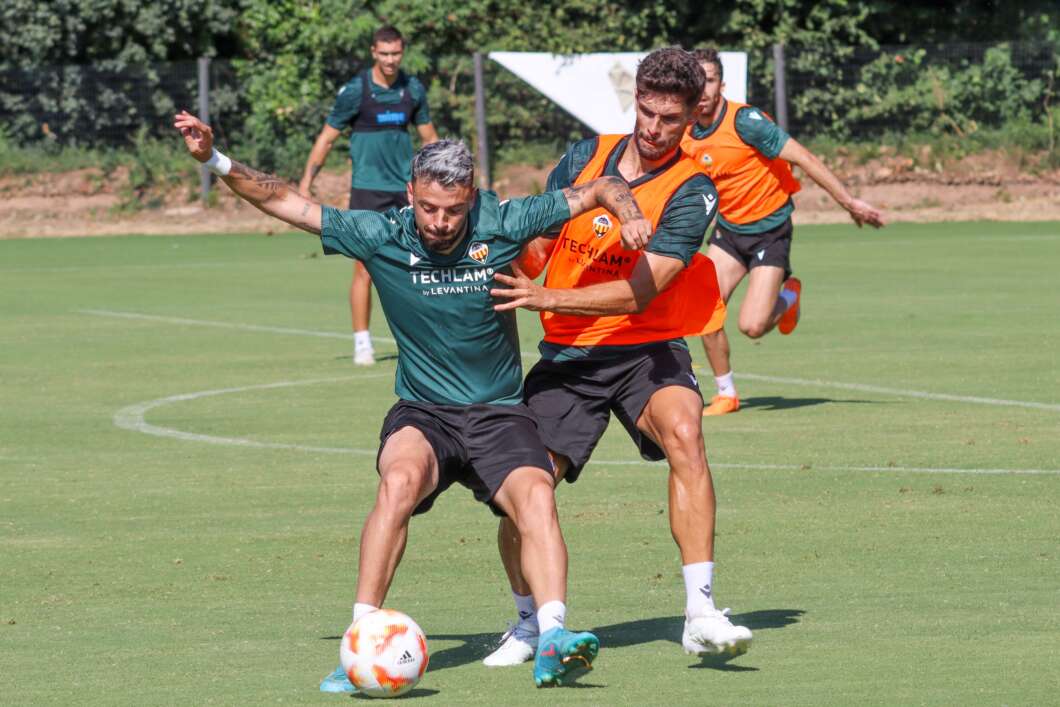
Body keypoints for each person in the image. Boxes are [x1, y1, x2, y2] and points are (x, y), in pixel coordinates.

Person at [174, 113, 656, 689]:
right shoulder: (381, 234)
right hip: (424, 414)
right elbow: (285, 201)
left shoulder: (503, 221)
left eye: (453, 209)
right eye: (429, 207)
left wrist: (628, 213)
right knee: (398, 482)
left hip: (498, 411)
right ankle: (360, 641)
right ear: (411, 194)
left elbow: (601, 187)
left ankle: (552, 635)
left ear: (471, 196)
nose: (441, 221)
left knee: (537, 495)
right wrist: (213, 160)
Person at [483, 48, 752, 667]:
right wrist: (512, 261)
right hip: (569, 355)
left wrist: (547, 294)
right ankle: (528, 625)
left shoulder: (694, 188)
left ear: (693, 116)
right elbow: (540, 241)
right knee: (526, 488)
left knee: (686, 433)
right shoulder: (584, 157)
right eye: (647, 111)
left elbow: (644, 289)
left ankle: (700, 611)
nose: (654, 128)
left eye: (670, 119)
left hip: (646, 348)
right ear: (636, 99)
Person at [681, 47, 886, 416]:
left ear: (721, 83)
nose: (705, 88)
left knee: (753, 326)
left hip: (770, 230)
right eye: (698, 80)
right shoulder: (684, 131)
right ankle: (726, 393)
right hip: (728, 232)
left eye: (710, 79)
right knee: (703, 309)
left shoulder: (746, 122)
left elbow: (804, 157)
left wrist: (848, 202)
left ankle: (789, 297)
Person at [298, 25, 439, 366]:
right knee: (364, 268)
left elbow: (430, 140)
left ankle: (422, 342)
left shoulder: (413, 89)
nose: (391, 60)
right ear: (374, 53)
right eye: (384, 54)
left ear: (402, 53)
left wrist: (441, 179)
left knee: (420, 265)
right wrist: (305, 182)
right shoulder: (355, 92)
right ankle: (363, 341)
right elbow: (327, 138)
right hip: (368, 191)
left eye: (396, 54)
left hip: (407, 191)